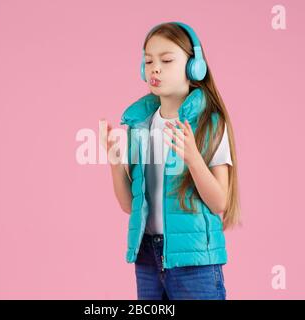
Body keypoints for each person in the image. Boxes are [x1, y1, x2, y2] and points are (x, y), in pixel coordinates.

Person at [100, 21, 241, 300]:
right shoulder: (141, 125)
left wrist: (193, 157)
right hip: (148, 257)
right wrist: (116, 164)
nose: (155, 68)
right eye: (148, 60)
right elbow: (130, 206)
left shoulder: (209, 124)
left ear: (194, 68)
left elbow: (219, 202)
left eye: (166, 60)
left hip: (195, 263)